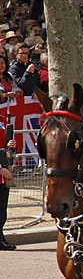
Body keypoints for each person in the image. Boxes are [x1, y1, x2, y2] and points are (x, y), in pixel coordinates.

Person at [1, 53, 19, 250]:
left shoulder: (3, 120)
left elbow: (5, 146)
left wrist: (11, 146)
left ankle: (1, 236)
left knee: (2, 208)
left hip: (3, 164)